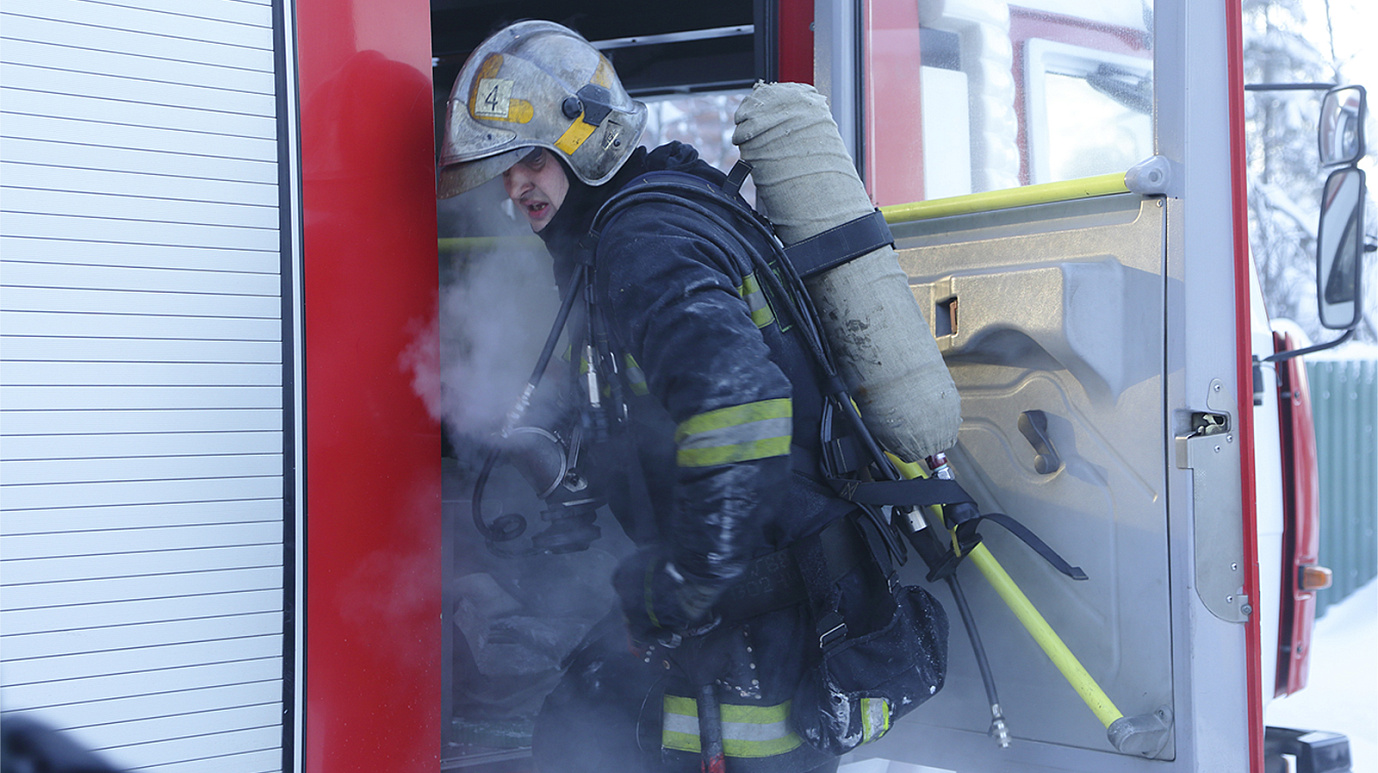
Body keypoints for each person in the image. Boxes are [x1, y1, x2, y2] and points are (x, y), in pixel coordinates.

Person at [437, 21, 936, 772]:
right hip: (781, 596)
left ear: (588, 140)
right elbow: (653, 392)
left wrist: (682, 582)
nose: (515, 186)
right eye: (505, 167)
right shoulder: (657, 216)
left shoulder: (643, 241)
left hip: (762, 625)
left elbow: (739, 404)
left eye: (532, 158)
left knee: (587, 734)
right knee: (579, 716)